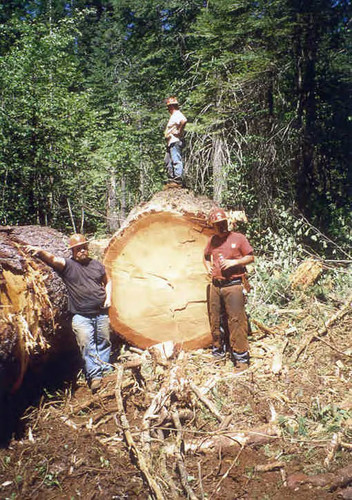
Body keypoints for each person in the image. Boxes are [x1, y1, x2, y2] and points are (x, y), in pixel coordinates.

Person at [26, 234, 112, 393]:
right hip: (81, 315)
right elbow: (53, 259)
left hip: (101, 313)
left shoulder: (97, 265)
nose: (82, 251)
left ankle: (106, 371)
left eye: (84, 247)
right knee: (87, 345)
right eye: (78, 249)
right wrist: (40, 252)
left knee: (104, 342)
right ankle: (95, 376)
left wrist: (109, 297)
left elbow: (108, 281)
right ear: (72, 251)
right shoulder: (68, 265)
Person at [203, 208, 254, 370]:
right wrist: (208, 267)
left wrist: (234, 263)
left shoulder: (238, 238)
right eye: (217, 224)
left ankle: (241, 358)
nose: (221, 227)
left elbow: (251, 257)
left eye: (223, 223)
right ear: (213, 226)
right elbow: (205, 256)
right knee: (215, 320)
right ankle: (218, 354)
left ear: (227, 222)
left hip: (233, 285)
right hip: (216, 285)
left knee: (236, 321)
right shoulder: (212, 241)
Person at [164, 96, 187, 185]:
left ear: (172, 106)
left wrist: (179, 131)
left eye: (168, 107)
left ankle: (178, 178)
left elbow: (184, 121)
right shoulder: (173, 115)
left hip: (175, 141)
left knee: (176, 159)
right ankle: (172, 178)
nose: (168, 109)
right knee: (167, 160)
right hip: (170, 142)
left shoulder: (177, 114)